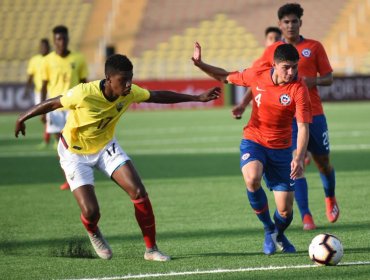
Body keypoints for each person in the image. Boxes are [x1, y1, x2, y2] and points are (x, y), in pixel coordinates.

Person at [15, 54, 221, 261]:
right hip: (74, 153)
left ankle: (151, 249)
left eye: (130, 78)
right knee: (91, 211)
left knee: (139, 191)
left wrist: (197, 98)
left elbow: (157, 95)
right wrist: (22, 118)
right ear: (108, 78)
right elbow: (52, 104)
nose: (129, 84)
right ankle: (93, 230)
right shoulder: (84, 93)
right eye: (124, 80)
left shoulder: (129, 92)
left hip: (106, 147)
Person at [192, 43, 311, 255]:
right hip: (254, 140)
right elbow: (225, 76)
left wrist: (299, 158)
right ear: (274, 65)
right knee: (252, 178)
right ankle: (268, 229)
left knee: (286, 211)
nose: (291, 72)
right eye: (286, 67)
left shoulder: (299, 89)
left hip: (282, 149)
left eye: (295, 67)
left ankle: (278, 233)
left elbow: (303, 127)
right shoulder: (257, 75)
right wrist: (200, 64)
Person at [255, 3, 339, 230]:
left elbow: (329, 78)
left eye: (294, 21)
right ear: (280, 25)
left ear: (300, 22)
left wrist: (314, 81)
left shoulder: (314, 46)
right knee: (296, 161)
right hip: (288, 117)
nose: (290, 25)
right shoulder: (274, 51)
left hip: (315, 114)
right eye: (286, 22)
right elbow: (257, 77)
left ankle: (329, 196)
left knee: (323, 163)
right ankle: (306, 215)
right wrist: (244, 104)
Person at [41, 25, 88, 190]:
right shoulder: (47, 61)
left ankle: (80, 174)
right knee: (61, 146)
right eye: (58, 39)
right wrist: (42, 109)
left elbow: (84, 83)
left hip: (73, 108)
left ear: (68, 39)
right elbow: (44, 85)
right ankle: (69, 179)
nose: (61, 42)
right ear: (54, 41)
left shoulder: (78, 58)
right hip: (54, 108)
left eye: (63, 38)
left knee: (75, 143)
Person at [232, 26, 282, 120]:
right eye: (271, 38)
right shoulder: (259, 63)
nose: (274, 41)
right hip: (265, 109)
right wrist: (243, 104)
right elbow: (254, 84)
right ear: (266, 41)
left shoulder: (287, 63)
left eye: (277, 38)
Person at [24, 38, 51, 148]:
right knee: (43, 117)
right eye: (41, 47)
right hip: (39, 92)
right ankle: (50, 138)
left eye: (45, 46)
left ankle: (49, 139)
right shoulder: (34, 60)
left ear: (49, 47)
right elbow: (30, 76)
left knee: (51, 117)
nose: (43, 49)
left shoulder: (52, 58)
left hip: (51, 91)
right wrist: (27, 88)